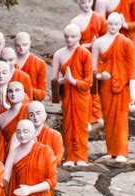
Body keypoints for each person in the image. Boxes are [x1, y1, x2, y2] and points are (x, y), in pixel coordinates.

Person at [91, 12, 135, 162]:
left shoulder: (126, 43)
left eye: (116, 24)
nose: (113, 27)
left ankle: (122, 152)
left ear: (120, 24)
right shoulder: (98, 43)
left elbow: (131, 67)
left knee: (121, 119)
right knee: (109, 118)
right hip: (106, 86)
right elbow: (93, 68)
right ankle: (111, 151)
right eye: (110, 23)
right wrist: (99, 76)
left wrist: (132, 89)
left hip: (122, 86)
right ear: (106, 24)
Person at [52, 23, 93, 166]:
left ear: (79, 37)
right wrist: (63, 80)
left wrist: (74, 81)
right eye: (66, 37)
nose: (69, 40)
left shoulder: (85, 54)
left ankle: (81, 157)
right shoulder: (58, 54)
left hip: (81, 95)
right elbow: (54, 80)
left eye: (73, 36)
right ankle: (70, 157)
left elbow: (89, 81)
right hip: (67, 95)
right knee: (68, 125)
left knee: (81, 125)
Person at [71, 0, 107, 128]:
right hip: (81, 58)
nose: (86, 5)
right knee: (85, 88)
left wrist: (98, 45)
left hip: (97, 58)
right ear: (78, 3)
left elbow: (106, 38)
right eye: (83, 2)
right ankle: (86, 117)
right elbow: (73, 44)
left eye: (89, 1)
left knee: (97, 88)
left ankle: (98, 115)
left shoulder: (99, 18)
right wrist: (90, 45)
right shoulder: (75, 22)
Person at [0, 82, 28, 161]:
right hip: (9, 156)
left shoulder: (29, 111)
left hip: (29, 155)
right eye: (10, 91)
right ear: (6, 95)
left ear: (23, 94)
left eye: (17, 90)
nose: (13, 94)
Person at [14, 31, 48, 101]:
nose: (21, 48)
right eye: (18, 45)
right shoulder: (9, 61)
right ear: (14, 45)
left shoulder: (40, 63)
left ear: (30, 44)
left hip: (31, 104)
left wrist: (26, 90)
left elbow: (42, 94)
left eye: (25, 45)